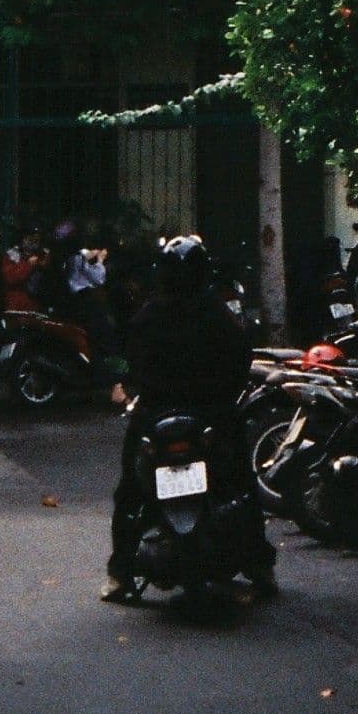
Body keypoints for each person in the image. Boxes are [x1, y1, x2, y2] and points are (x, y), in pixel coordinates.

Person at [102, 235, 268, 601]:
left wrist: (130, 385)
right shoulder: (216, 312)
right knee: (241, 482)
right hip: (211, 412)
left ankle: (119, 573)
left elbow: (131, 360)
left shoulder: (150, 313)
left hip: (156, 413)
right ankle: (260, 566)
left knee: (130, 491)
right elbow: (240, 359)